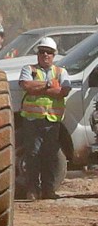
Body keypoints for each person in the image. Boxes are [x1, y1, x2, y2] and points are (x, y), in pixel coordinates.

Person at [17, 36, 69, 201]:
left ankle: (49, 190)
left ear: (54, 55)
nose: (45, 55)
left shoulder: (61, 72)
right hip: (32, 120)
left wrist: (38, 87)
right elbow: (26, 86)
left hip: (52, 121)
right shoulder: (29, 69)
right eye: (42, 52)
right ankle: (32, 189)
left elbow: (63, 91)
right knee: (32, 155)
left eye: (49, 52)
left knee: (50, 156)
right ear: (37, 54)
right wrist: (48, 85)